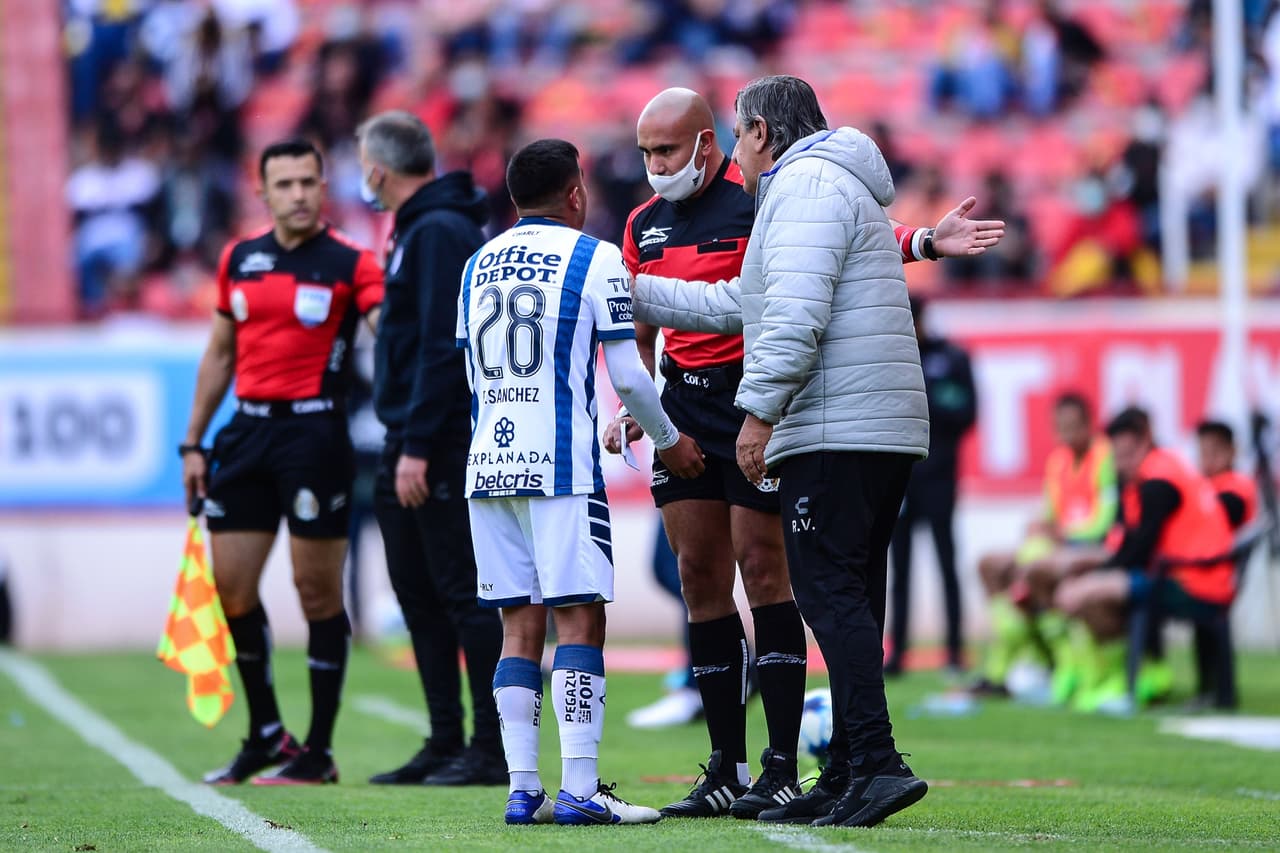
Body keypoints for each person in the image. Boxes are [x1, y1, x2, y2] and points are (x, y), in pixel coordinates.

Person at [605, 87, 1002, 820]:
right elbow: (739, 302)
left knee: (813, 588)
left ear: (752, 132)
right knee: (827, 587)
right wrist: (631, 300)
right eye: (646, 153)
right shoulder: (817, 183)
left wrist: (756, 417)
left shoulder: (797, 188)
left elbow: (788, 319)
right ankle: (843, 767)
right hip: (847, 418)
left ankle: (856, 762)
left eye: (672, 148)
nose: (656, 165)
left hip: (823, 417)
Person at [458, 138, 705, 825]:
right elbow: (626, 374)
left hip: (487, 463)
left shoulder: (476, 265)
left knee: (518, 626)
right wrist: (670, 440)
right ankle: (582, 787)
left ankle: (522, 786)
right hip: (560, 464)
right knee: (580, 615)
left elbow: (470, 374)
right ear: (575, 193)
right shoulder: (595, 256)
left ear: (514, 198)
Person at [181, 139, 383, 785]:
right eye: (285, 183)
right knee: (232, 589)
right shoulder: (239, 257)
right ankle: (267, 731)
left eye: (308, 181)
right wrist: (193, 441)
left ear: (324, 188)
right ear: (262, 191)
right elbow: (219, 352)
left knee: (315, 590)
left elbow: (389, 335)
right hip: (245, 433)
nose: (297, 193)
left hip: (315, 435)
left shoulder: (352, 261)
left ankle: (318, 750)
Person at [355, 111, 507, 786]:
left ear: (377, 168)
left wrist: (417, 444)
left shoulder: (437, 231)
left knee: (460, 593)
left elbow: (446, 347)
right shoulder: (421, 228)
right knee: (419, 594)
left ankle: (489, 745)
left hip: (437, 445)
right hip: (411, 439)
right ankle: (446, 738)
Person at [1055, 407, 1236, 711]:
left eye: (1128, 453)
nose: (1122, 463)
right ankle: (1121, 674)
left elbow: (1141, 549)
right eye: (1117, 455)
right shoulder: (1153, 474)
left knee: (1085, 593)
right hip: (1187, 575)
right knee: (1085, 583)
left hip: (1193, 582)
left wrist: (1096, 578)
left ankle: (1127, 677)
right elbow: (1128, 542)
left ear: (1145, 443)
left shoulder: (1158, 481)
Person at [973, 392, 1117, 696]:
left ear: (1089, 424)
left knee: (1036, 564)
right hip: (1057, 546)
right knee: (989, 565)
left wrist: (1064, 533)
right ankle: (1006, 661)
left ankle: (1054, 659)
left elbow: (1106, 519)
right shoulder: (1058, 461)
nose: (1067, 434)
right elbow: (1050, 512)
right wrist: (1038, 526)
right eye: (1061, 427)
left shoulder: (1106, 456)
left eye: (1073, 426)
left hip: (1088, 547)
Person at [887, 295, 977, 675]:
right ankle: (898, 653)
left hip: (939, 477)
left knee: (946, 562)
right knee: (899, 567)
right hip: (900, 478)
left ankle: (955, 650)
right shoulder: (888, 359)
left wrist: (921, 395)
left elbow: (967, 412)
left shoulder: (952, 358)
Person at [1196, 420, 1258, 531]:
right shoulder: (1204, 482)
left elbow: (1221, 515)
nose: (1209, 459)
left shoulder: (1238, 484)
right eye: (1203, 453)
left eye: (1215, 452)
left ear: (1232, 451)